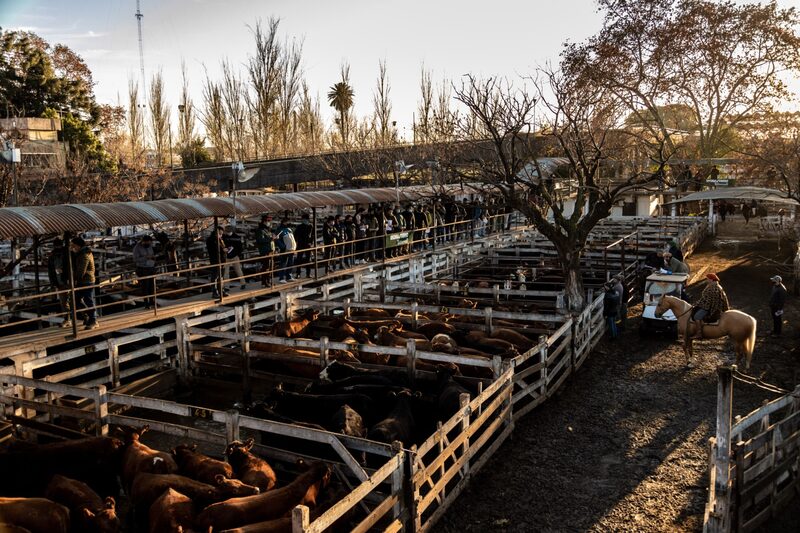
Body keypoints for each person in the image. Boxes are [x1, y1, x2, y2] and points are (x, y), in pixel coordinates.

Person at [70, 236, 98, 330]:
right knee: (76, 299)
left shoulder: (84, 254)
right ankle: (87, 316)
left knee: (88, 300)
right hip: (83, 281)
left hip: (87, 281)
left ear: (78, 245)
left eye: (74, 246)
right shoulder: (81, 253)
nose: (72, 247)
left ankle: (93, 320)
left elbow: (81, 271)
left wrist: (73, 278)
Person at [691, 273, 730, 338]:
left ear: (711, 279)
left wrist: (697, 305)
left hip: (711, 308)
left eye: (707, 279)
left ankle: (699, 333)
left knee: (696, 317)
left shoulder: (712, 288)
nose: (707, 280)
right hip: (713, 306)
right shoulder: (716, 286)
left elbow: (708, 301)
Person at [47, 238, 72, 328]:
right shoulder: (53, 256)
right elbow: (51, 271)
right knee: (64, 302)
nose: (58, 247)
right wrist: (53, 283)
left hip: (67, 281)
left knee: (72, 301)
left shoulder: (67, 254)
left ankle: (87, 317)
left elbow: (71, 267)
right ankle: (67, 319)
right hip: (60, 282)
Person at [133, 235, 157, 308]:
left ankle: (152, 301)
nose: (148, 244)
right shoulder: (137, 248)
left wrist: (153, 258)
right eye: (147, 243)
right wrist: (146, 257)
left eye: (149, 243)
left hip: (151, 268)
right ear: (143, 241)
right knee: (145, 286)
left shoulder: (149, 246)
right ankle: (146, 303)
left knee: (152, 286)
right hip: (143, 269)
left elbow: (152, 254)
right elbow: (135, 259)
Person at [206, 226, 228, 297]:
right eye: (220, 233)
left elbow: (222, 247)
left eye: (222, 233)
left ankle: (221, 290)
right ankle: (215, 292)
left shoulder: (220, 239)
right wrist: (223, 250)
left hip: (222, 260)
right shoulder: (211, 240)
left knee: (221, 276)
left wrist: (225, 249)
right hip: (215, 260)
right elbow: (214, 249)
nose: (221, 235)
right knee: (215, 276)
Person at [255, 215, 275, 287]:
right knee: (266, 267)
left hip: (270, 251)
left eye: (269, 221)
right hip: (265, 251)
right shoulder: (260, 230)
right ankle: (264, 282)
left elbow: (269, 240)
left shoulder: (267, 230)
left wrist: (273, 238)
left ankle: (268, 281)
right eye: (268, 221)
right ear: (264, 221)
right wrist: (271, 239)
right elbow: (260, 240)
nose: (269, 223)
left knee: (270, 267)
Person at [274, 218, 296, 282]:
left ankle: (289, 276)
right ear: (283, 222)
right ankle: (281, 278)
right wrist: (283, 247)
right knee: (283, 263)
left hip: (291, 249)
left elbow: (292, 238)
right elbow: (276, 239)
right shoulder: (279, 230)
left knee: (291, 262)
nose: (288, 223)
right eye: (287, 222)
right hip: (285, 249)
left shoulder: (289, 229)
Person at [293, 213, 314, 278]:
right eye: (304, 219)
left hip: (308, 245)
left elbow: (313, 235)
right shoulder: (299, 227)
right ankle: (298, 274)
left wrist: (311, 242)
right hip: (301, 245)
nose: (304, 220)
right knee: (299, 259)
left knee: (308, 260)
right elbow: (295, 235)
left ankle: (308, 274)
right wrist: (296, 243)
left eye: (305, 219)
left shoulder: (311, 226)